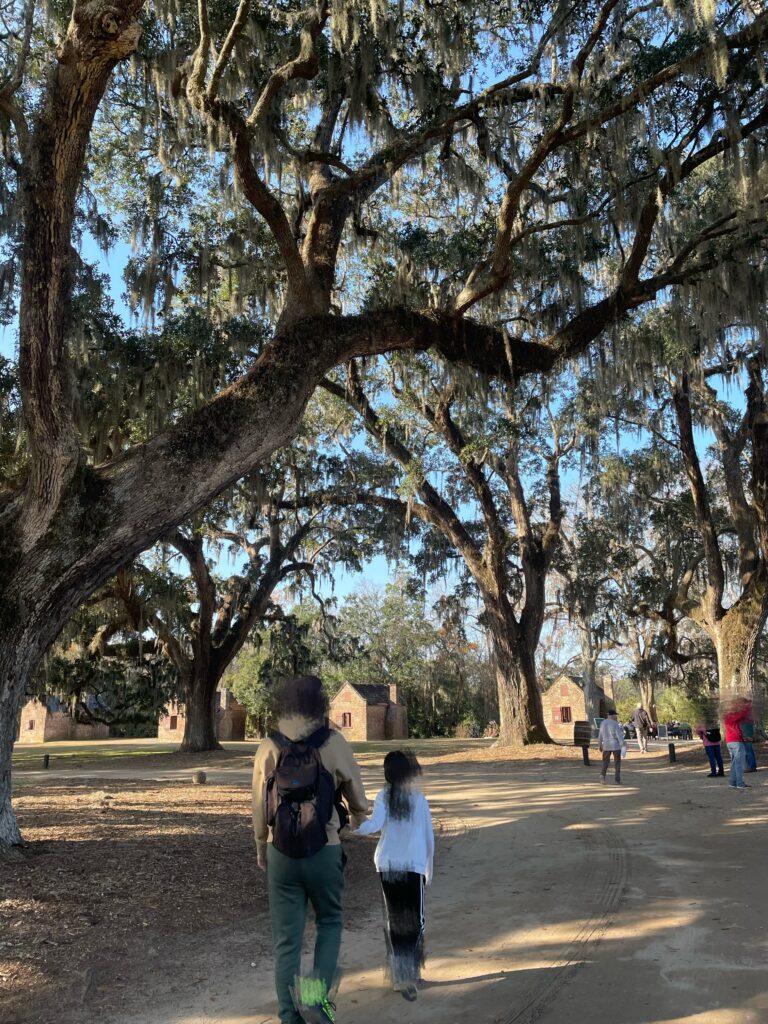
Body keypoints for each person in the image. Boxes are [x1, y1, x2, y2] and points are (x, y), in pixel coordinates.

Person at [252, 674, 369, 1024]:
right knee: (330, 922)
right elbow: (357, 796)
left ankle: (290, 1017)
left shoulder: (268, 746)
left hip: (281, 853)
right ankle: (317, 1001)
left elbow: (259, 806)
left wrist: (261, 846)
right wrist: (357, 818)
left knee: (286, 941)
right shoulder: (333, 741)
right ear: (319, 704)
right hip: (324, 848)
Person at [355, 751, 434, 1002]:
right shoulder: (419, 800)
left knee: (396, 920)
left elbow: (373, 825)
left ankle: (402, 976)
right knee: (415, 921)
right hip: (412, 866)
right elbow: (428, 838)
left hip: (388, 866)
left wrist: (354, 827)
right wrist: (429, 868)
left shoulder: (383, 797)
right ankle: (409, 971)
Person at [723, 697, 752, 790]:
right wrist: (746, 707)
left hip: (732, 741)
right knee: (739, 763)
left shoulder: (729, 716)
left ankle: (733, 782)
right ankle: (740, 783)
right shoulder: (730, 715)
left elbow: (741, 719)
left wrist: (744, 737)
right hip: (735, 742)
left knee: (735, 763)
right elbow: (741, 715)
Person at [598, 709, 626, 784]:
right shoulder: (615, 723)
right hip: (615, 744)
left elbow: (600, 735)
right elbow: (619, 735)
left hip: (606, 744)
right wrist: (623, 744)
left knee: (605, 761)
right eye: (615, 715)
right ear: (612, 715)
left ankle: (602, 776)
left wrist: (600, 744)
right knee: (617, 762)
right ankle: (617, 780)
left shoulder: (603, 723)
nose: (615, 716)